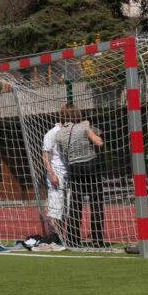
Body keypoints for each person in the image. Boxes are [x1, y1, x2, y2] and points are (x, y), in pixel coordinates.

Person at [53, 104, 105, 248]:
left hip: (74, 168)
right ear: (77, 114)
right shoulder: (83, 127)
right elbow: (99, 142)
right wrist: (89, 127)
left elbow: (63, 152)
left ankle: (73, 239)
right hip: (90, 165)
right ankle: (97, 239)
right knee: (96, 203)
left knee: (75, 204)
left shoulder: (59, 134)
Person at [42, 118, 67, 238]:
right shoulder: (51, 133)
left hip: (68, 175)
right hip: (56, 174)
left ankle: (61, 235)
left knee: (64, 209)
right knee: (55, 207)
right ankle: (54, 236)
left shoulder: (68, 132)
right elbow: (45, 155)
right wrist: (52, 174)